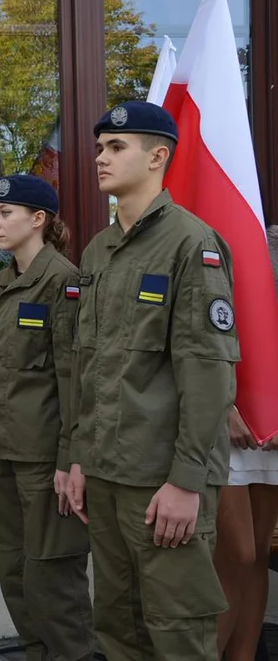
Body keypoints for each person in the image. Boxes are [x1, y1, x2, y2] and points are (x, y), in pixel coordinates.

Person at [67, 100, 239, 660]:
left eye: (116, 147)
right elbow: (88, 367)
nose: (100, 158)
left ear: (158, 156)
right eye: (98, 148)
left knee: (177, 634)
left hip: (163, 479)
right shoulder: (98, 250)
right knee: (118, 631)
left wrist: (188, 481)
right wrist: (77, 458)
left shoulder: (192, 244)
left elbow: (208, 371)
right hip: (108, 475)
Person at [0, 173, 94, 661]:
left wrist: (70, 460)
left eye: (6, 214)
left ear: (38, 219)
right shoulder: (3, 283)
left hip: (46, 459)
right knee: (15, 575)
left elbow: (76, 382)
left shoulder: (63, 282)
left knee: (53, 582)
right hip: (3, 452)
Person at [213, 224, 278, 661]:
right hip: (225, 411)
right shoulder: (239, 228)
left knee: (256, 551)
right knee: (235, 551)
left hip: (272, 417)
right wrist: (223, 404)